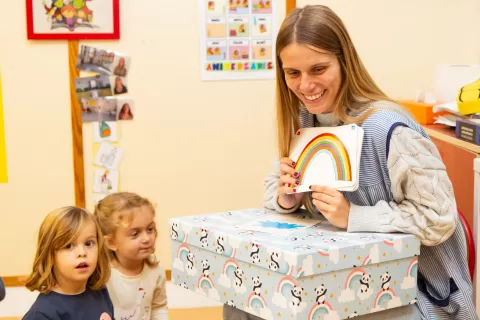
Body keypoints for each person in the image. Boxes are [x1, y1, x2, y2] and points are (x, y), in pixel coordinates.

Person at [225, 5, 478, 320]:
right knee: (243, 301)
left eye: (318, 69)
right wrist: (286, 196)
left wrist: (355, 217)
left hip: (416, 293)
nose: (305, 86)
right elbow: (273, 188)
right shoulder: (306, 120)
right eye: (293, 73)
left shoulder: (389, 130)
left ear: (344, 62)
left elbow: (439, 218)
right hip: (343, 275)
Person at [23, 207, 114, 320]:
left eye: (89, 243)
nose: (82, 252)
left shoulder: (100, 291)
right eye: (69, 246)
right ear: (49, 254)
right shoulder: (41, 314)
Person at [94, 192, 169, 320]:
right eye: (135, 233)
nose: (146, 238)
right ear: (111, 242)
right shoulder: (101, 273)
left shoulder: (155, 269)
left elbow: (158, 307)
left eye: (150, 229)